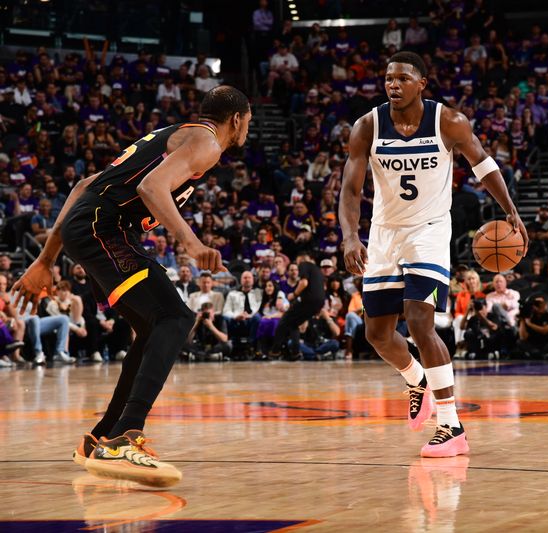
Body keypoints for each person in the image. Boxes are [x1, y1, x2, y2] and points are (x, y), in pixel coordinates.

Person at [12, 85, 251, 487]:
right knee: (176, 318)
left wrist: (46, 259)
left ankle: (103, 436)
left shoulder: (174, 134)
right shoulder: (207, 141)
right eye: (249, 122)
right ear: (238, 120)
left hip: (91, 227)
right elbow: (151, 188)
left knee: (152, 326)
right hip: (106, 229)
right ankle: (127, 437)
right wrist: (192, 244)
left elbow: (83, 184)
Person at [339, 51, 526, 457]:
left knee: (420, 321)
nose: (393, 84)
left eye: (403, 78)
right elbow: (350, 189)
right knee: (376, 334)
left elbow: (482, 162)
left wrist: (510, 209)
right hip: (385, 233)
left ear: (422, 83)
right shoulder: (367, 126)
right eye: (389, 78)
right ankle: (416, 378)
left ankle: (451, 425)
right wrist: (350, 236)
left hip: (429, 232)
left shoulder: (449, 121)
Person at [267, 252, 326, 360]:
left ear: (301, 259)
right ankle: (295, 353)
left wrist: (293, 295)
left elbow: (304, 283)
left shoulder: (304, 264)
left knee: (284, 320)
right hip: (319, 302)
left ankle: (275, 351)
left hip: (309, 300)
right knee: (294, 323)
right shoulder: (317, 270)